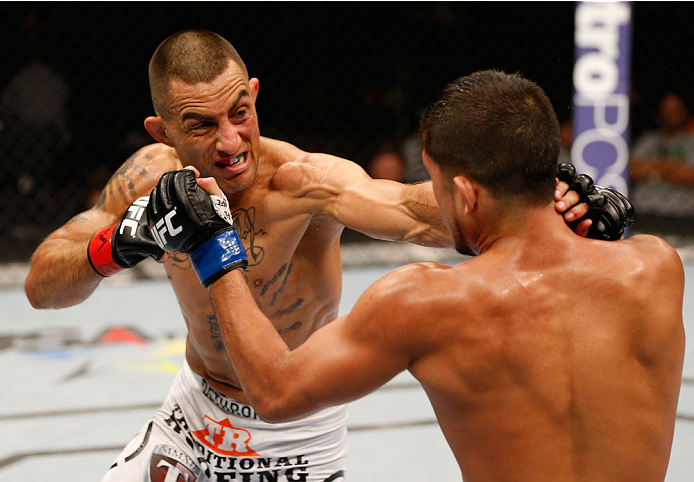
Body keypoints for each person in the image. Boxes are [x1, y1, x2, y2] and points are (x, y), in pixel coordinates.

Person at [24, 30, 626, 482]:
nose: (231, 142)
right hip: (191, 410)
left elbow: (418, 211)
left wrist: (542, 206)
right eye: (202, 126)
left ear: (255, 95)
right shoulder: (146, 183)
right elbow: (42, 287)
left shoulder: (305, 183)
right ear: (162, 133)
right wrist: (121, 242)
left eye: (240, 112)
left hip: (294, 430)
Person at [160, 70, 684, 481]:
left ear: (466, 192)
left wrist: (213, 246)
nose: (431, 197)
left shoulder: (424, 301)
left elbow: (274, 394)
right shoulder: (657, 268)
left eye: (433, 183)